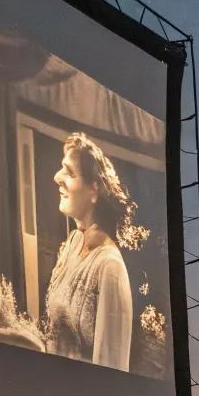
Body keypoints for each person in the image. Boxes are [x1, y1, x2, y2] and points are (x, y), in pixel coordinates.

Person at [44, 132, 142, 371]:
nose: (57, 177)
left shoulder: (110, 268)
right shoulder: (72, 244)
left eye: (69, 172)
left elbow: (111, 368)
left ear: (93, 190)